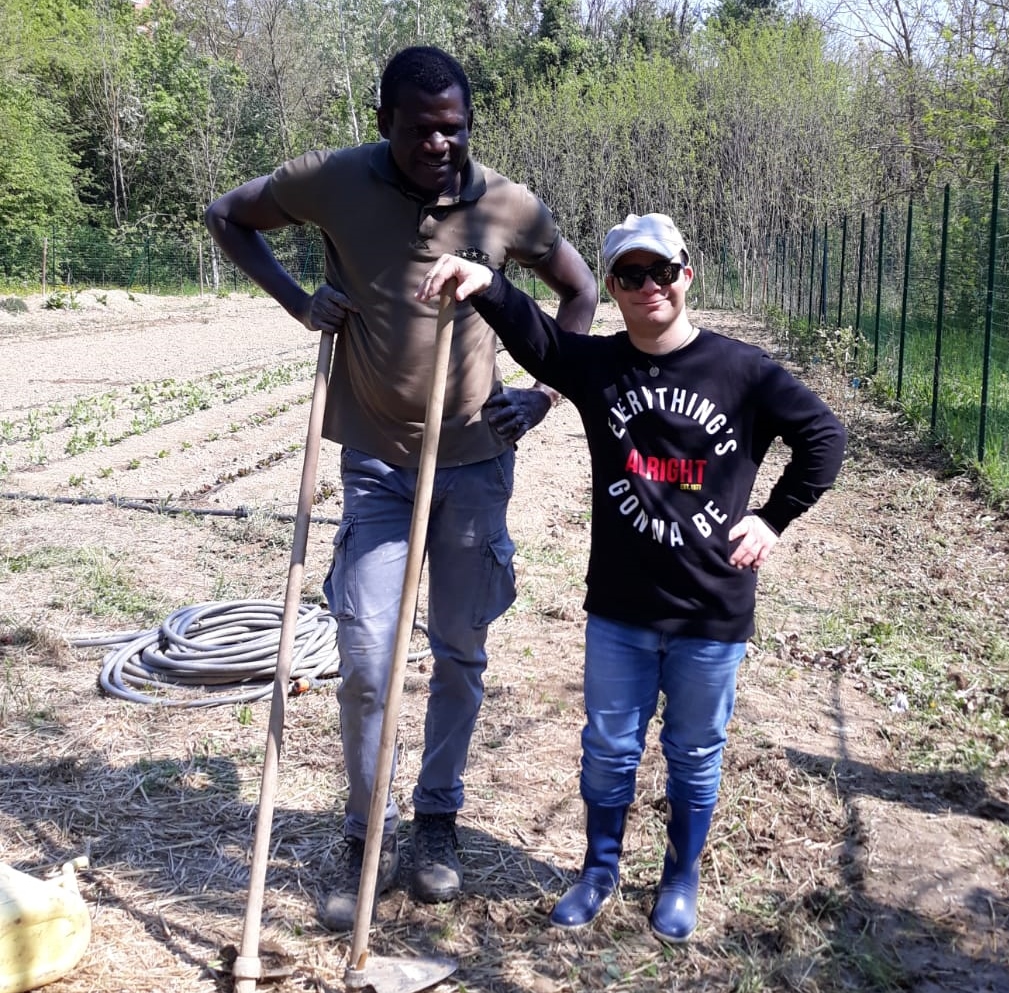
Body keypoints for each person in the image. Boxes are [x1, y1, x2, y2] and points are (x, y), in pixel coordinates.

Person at [204, 46, 597, 930]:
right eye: (422, 129)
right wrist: (298, 299)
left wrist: (542, 392)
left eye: (454, 128)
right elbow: (228, 215)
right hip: (376, 462)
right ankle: (363, 830)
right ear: (385, 122)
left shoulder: (503, 203)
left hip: (476, 464)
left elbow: (575, 292)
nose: (440, 144)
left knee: (459, 653)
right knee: (368, 661)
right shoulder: (334, 180)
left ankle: (437, 822)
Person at [417, 212, 847, 943]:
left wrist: (773, 517)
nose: (649, 286)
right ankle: (599, 868)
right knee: (610, 746)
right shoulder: (603, 367)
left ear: (686, 274)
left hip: (710, 610)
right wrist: (487, 281)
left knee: (694, 750)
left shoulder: (742, 371)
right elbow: (542, 339)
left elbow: (824, 436)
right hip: (620, 605)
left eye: (661, 271)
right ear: (614, 287)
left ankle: (680, 877)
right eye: (630, 275)